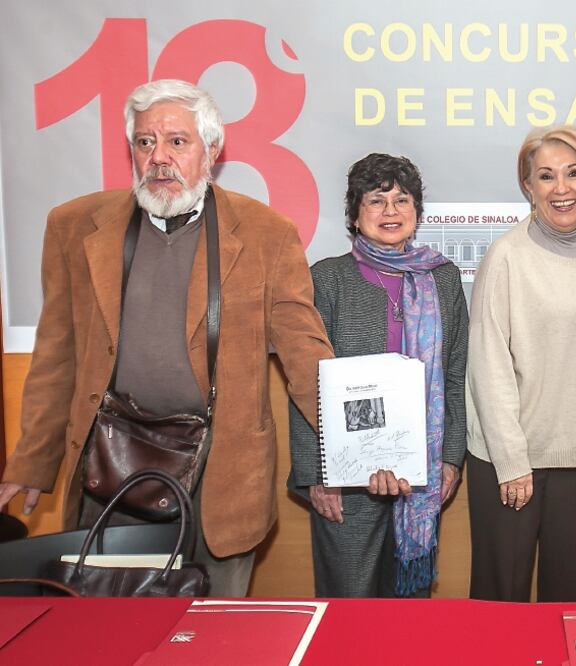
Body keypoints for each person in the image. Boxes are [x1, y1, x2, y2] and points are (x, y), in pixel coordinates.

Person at [0, 79, 333, 597]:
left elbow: (304, 351)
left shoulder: (268, 234)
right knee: (109, 632)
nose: (159, 157)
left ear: (212, 150)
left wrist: (362, 445)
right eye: (145, 142)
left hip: (223, 476)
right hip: (109, 468)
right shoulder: (73, 227)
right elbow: (56, 358)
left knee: (216, 638)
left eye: (177, 142)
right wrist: (31, 460)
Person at [288, 153, 468, 598]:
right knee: (348, 604)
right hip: (345, 481)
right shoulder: (326, 280)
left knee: (407, 610)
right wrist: (317, 474)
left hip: (419, 475)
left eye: (402, 200)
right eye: (376, 200)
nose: (391, 212)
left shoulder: (442, 280)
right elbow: (305, 382)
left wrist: (450, 458)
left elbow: (456, 375)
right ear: (354, 213)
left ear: (417, 212)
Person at [466, 125, 576, 602]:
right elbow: (488, 365)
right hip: (512, 461)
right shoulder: (506, 257)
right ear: (528, 188)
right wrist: (512, 461)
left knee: (572, 601)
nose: (562, 189)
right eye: (546, 176)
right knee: (502, 602)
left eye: (574, 174)